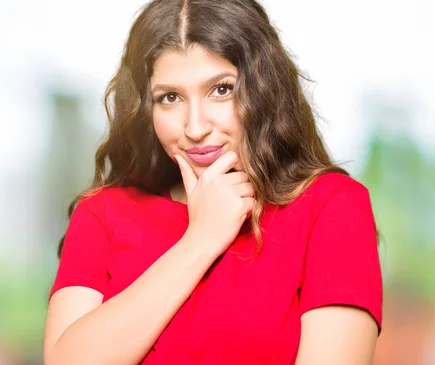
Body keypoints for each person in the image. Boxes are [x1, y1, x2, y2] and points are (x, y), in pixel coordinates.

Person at [43, 0, 383, 364]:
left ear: (264, 88)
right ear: (146, 107)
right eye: (169, 98)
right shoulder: (102, 214)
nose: (195, 127)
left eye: (221, 89)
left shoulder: (331, 207)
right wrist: (200, 239)